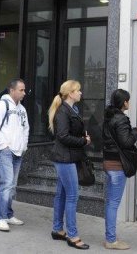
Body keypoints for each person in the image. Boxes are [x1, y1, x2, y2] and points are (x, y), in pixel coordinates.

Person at [48, 80, 91, 250]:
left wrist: (82, 136)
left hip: (68, 157)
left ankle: (58, 229)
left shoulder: (72, 109)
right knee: (72, 196)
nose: (81, 93)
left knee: (62, 195)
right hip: (65, 158)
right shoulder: (63, 111)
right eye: (78, 91)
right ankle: (72, 235)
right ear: (71, 93)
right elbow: (63, 136)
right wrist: (83, 141)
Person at [102, 89, 137, 250]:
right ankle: (111, 240)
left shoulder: (109, 116)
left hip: (108, 162)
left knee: (110, 202)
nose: (129, 103)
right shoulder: (121, 119)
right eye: (128, 100)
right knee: (113, 203)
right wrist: (136, 131)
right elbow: (126, 142)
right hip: (118, 165)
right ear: (124, 102)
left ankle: (110, 236)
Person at [0, 78, 29, 232]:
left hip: (18, 152)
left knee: (12, 186)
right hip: (4, 151)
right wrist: (4, 145)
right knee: (6, 184)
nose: (24, 93)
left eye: (24, 90)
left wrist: (23, 146)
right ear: (12, 90)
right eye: (21, 90)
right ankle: (0, 218)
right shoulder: (1, 105)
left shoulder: (22, 109)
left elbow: (26, 129)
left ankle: (8, 214)